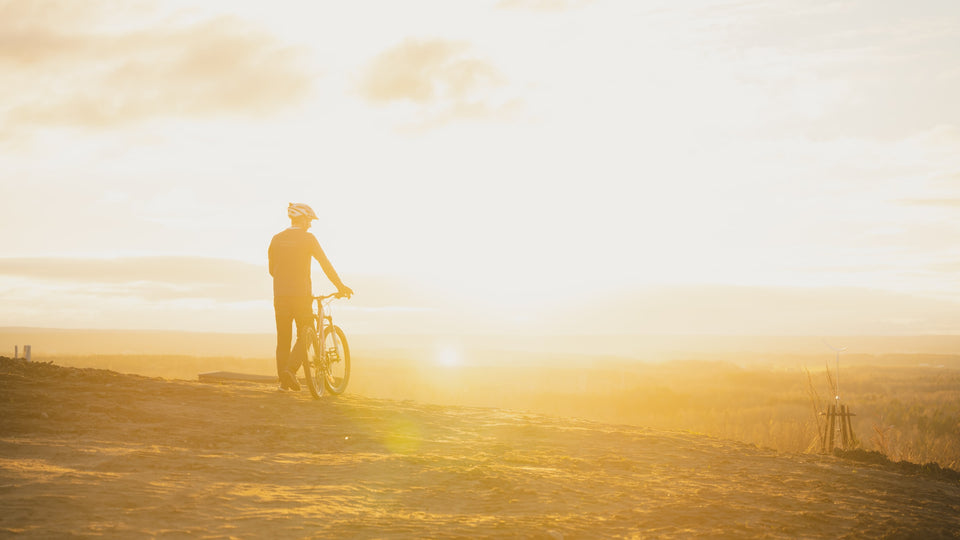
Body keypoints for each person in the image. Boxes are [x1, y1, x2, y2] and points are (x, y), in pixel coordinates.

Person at [269, 202, 353, 392]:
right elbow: (325, 264)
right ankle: (290, 370)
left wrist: (284, 282)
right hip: (301, 295)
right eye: (309, 220)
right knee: (307, 334)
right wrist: (340, 286)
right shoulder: (308, 239)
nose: (310, 224)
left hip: (280, 296)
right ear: (302, 219)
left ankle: (284, 381)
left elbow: (271, 270)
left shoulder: (276, 239)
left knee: (283, 339)